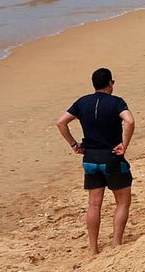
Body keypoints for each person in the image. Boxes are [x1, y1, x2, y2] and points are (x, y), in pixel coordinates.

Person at [55, 67, 135, 256]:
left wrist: (74, 144)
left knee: (94, 204)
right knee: (122, 202)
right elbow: (130, 121)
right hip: (111, 157)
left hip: (90, 158)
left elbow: (61, 122)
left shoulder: (83, 102)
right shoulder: (116, 102)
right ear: (110, 83)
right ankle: (116, 244)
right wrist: (124, 144)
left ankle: (93, 248)